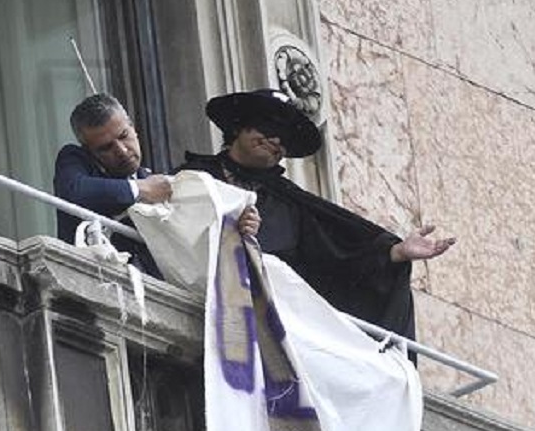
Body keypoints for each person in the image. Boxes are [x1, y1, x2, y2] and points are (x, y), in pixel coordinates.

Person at [175, 89, 455, 342]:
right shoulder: (192, 176)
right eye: (268, 125)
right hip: (193, 308)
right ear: (238, 126)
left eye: (285, 138)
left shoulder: (291, 205)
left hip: (266, 331)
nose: (275, 140)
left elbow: (335, 260)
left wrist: (393, 253)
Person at [54, 93, 260, 275]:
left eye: (123, 136)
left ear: (133, 129)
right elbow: (74, 191)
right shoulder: (76, 160)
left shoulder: (157, 180)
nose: (122, 151)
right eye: (106, 148)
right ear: (89, 151)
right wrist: (141, 189)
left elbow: (196, 227)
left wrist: (236, 220)